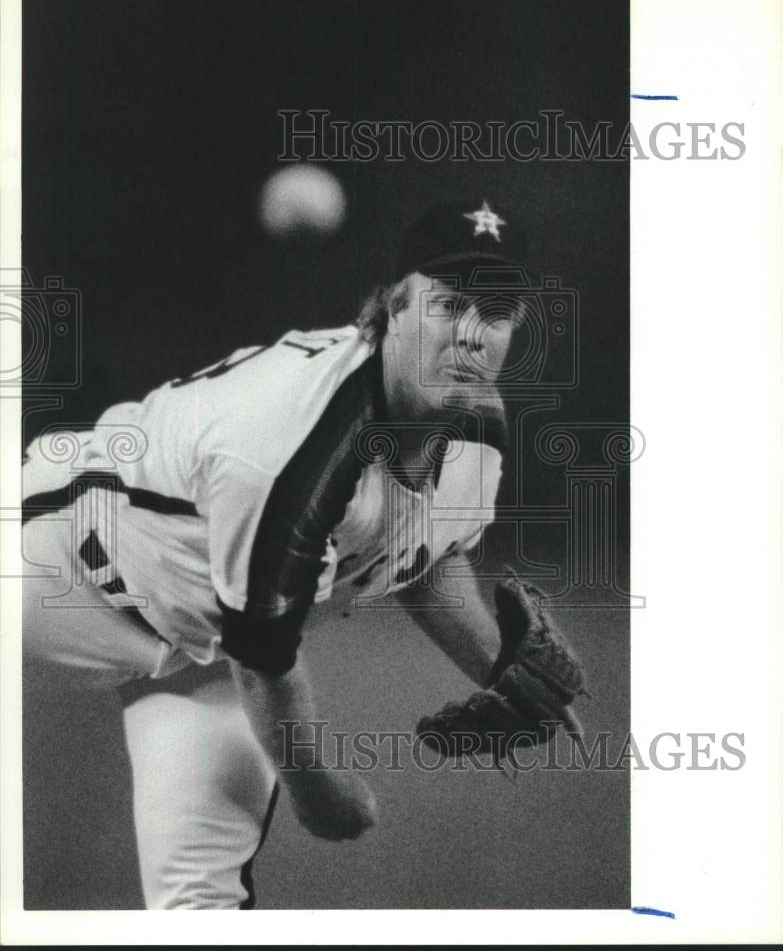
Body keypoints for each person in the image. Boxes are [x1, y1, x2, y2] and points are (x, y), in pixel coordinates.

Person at [22, 199, 529, 910]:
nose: (473, 336)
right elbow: (264, 660)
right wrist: (316, 787)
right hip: (52, 571)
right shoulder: (288, 443)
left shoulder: (475, 422)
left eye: (497, 314)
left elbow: (426, 554)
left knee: (201, 908)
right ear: (392, 311)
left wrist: (508, 671)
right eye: (449, 305)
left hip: (199, 654)